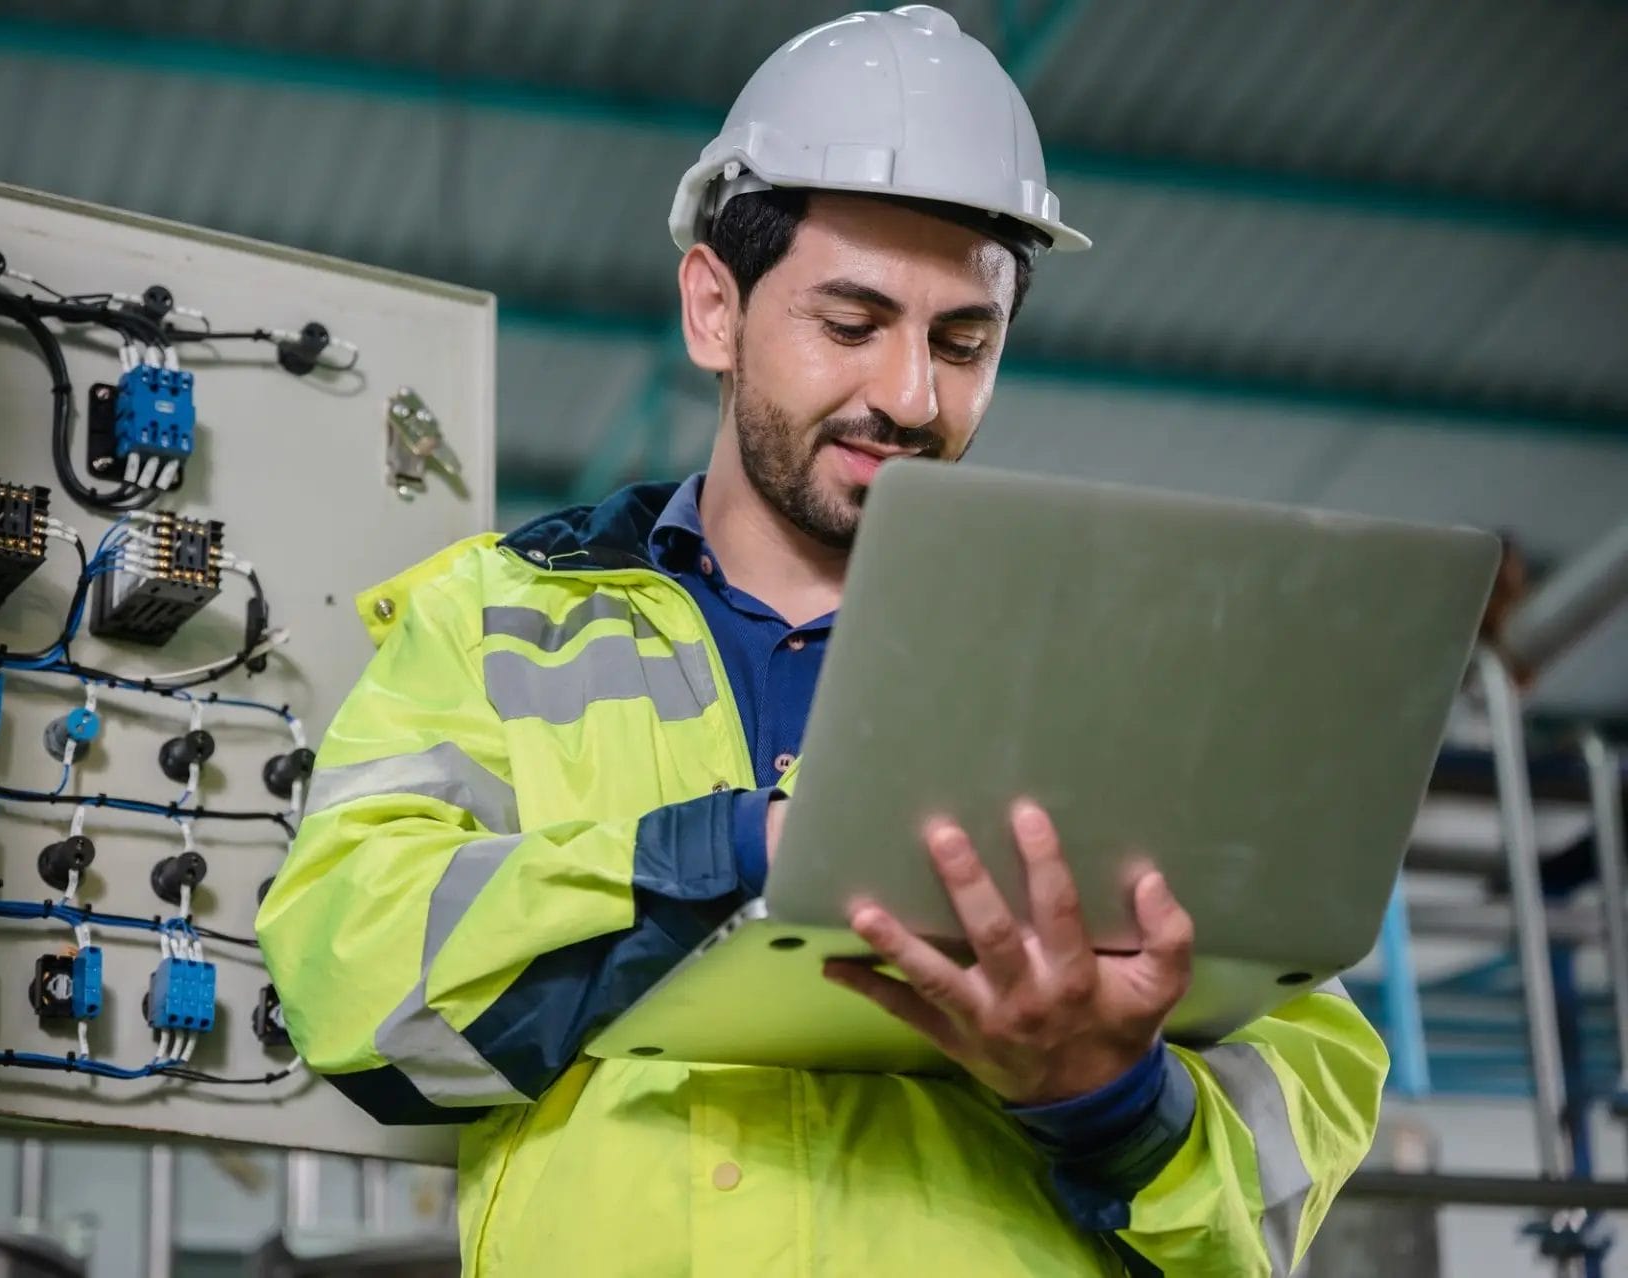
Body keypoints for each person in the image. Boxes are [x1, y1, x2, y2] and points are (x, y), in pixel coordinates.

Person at [258, 7, 1387, 1274]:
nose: (911, 397)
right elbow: (346, 973)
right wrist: (735, 857)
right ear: (714, 310)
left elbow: (1302, 1099)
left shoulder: (1121, 667)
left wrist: (1113, 1098)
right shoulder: (500, 621)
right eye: (851, 325)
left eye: (964, 342)